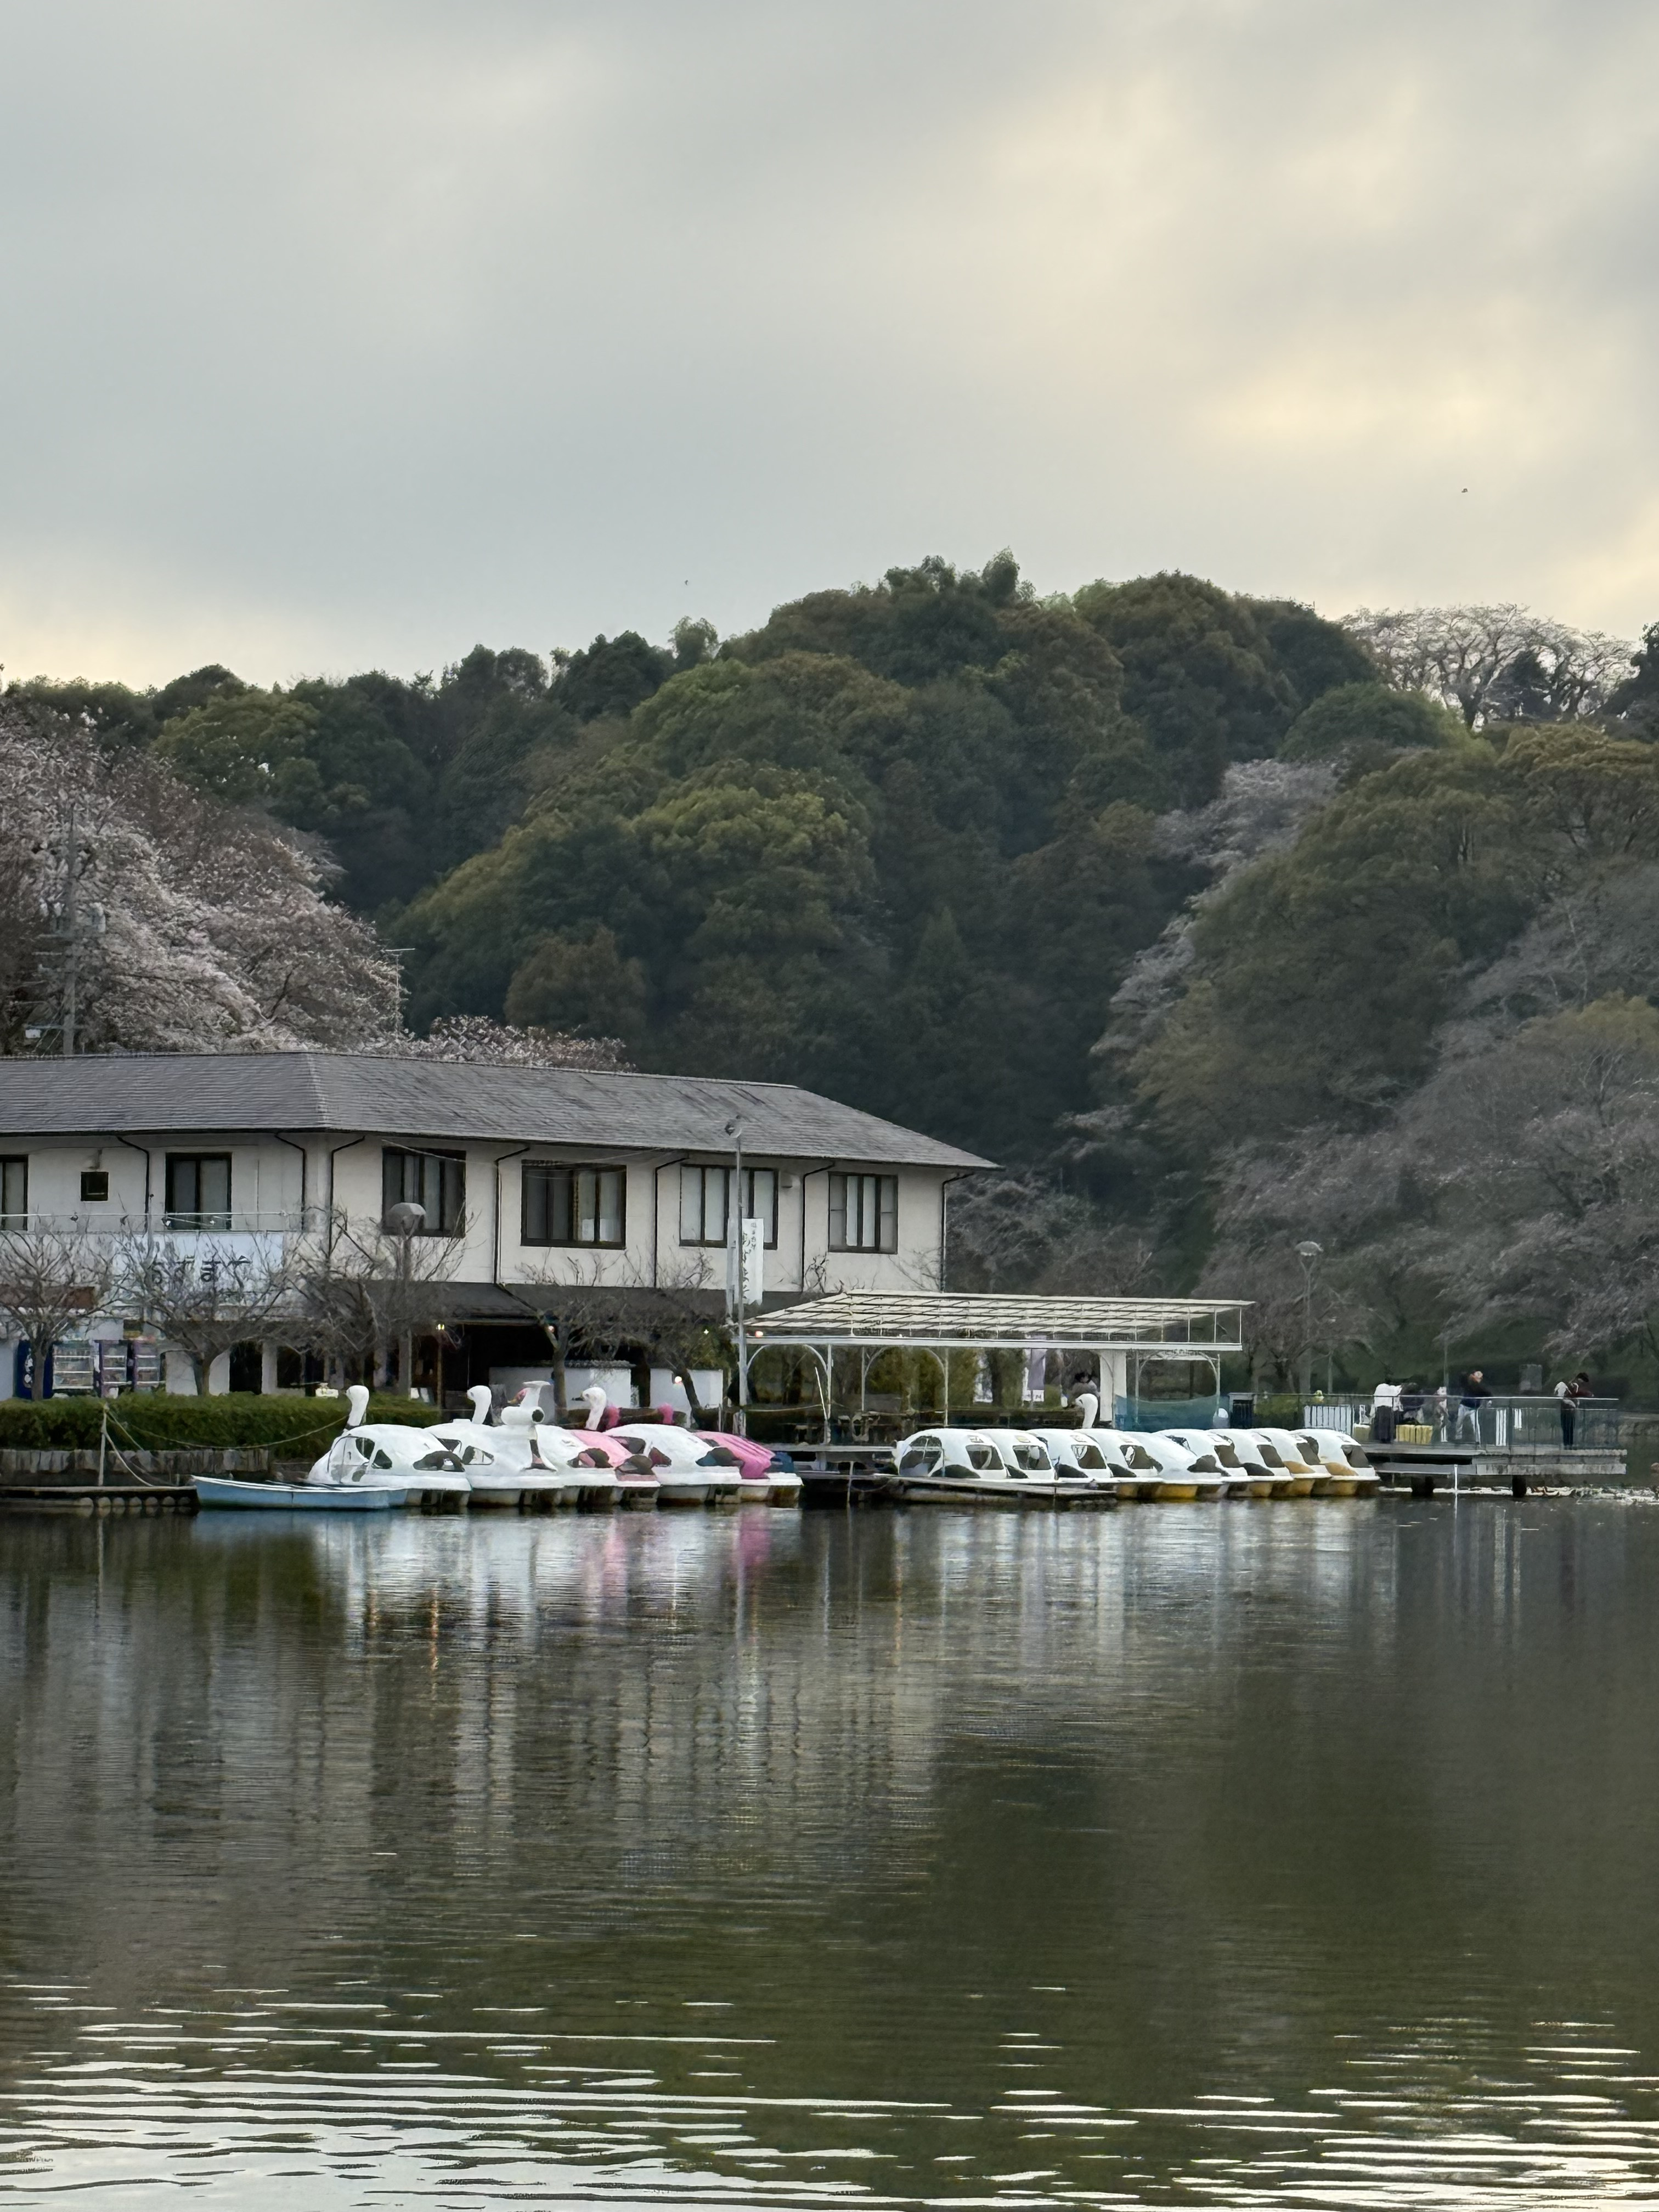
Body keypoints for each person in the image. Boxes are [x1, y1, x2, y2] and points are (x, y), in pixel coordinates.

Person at [1457, 1369, 1491, 1442]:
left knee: (1476, 1425)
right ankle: (1458, 1438)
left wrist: (1489, 1402)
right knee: (1459, 1422)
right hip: (1464, 1406)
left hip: (1473, 1409)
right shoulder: (1468, 1383)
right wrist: (1470, 1375)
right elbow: (1463, 1377)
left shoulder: (1481, 1387)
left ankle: (1478, 1441)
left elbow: (1489, 1395)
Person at [1370, 1375, 1401, 1445]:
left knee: (1381, 1424)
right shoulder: (1392, 1388)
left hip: (1380, 1407)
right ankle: (1387, 1439)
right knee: (1388, 1424)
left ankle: (1381, 1438)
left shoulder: (1380, 1387)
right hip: (1388, 1407)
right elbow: (1396, 1393)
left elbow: (1376, 1396)